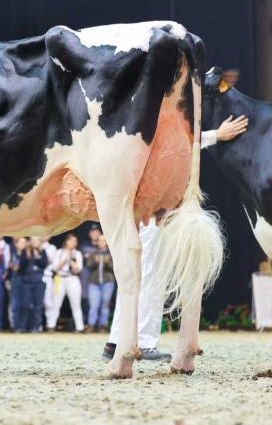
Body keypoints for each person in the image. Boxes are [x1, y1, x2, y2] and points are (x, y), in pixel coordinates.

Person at [103, 114, 249, 361]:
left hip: (141, 203)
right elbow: (181, 144)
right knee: (150, 274)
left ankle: (117, 340)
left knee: (135, 274)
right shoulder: (158, 120)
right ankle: (144, 343)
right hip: (154, 205)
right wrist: (217, 134)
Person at [46, 233, 84, 332]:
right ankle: (51, 325)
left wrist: (70, 259)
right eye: (71, 241)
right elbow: (54, 267)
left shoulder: (77, 253)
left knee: (76, 304)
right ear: (66, 242)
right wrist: (64, 259)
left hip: (73, 278)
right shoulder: (59, 252)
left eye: (75, 241)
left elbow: (79, 269)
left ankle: (80, 327)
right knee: (56, 303)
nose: (73, 243)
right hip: (60, 278)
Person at [13, 237, 48, 333]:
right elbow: (21, 266)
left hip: (38, 281)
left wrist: (37, 258)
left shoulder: (42, 252)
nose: (34, 242)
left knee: (38, 306)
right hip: (26, 281)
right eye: (32, 240)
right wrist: (27, 257)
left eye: (36, 240)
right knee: (25, 305)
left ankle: (35, 327)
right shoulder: (25, 251)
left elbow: (44, 264)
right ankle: (21, 326)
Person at [85, 234, 115, 332]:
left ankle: (102, 325)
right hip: (94, 283)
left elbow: (114, 268)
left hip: (107, 282)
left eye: (104, 240)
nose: (102, 242)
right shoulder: (93, 254)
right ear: (97, 242)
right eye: (100, 240)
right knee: (94, 305)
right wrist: (95, 261)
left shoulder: (111, 253)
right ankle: (91, 324)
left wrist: (107, 262)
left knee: (105, 304)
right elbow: (88, 267)